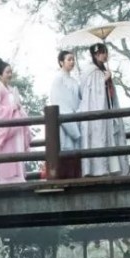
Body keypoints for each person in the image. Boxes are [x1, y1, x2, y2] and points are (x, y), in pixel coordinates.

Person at [78, 41, 129, 177]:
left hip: (108, 108)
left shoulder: (102, 69)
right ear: (96, 54)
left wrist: (107, 79)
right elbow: (92, 93)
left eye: (106, 52)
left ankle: (114, 168)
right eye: (103, 52)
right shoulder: (91, 71)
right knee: (99, 136)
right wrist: (103, 81)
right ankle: (98, 169)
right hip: (96, 110)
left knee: (111, 136)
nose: (106, 55)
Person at [0, 58, 29, 184]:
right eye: (7, 72)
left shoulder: (10, 89)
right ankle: (4, 180)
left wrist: (19, 110)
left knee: (15, 151)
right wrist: (12, 108)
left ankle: (17, 178)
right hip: (6, 130)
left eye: (11, 72)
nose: (10, 74)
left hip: (15, 129)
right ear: (0, 75)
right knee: (6, 152)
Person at [49, 49, 82, 179]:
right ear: (61, 62)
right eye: (69, 59)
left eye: (73, 59)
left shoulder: (74, 81)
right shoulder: (58, 79)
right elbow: (58, 101)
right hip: (65, 122)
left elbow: (80, 100)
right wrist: (70, 121)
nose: (72, 62)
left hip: (75, 117)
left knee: (76, 154)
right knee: (66, 150)